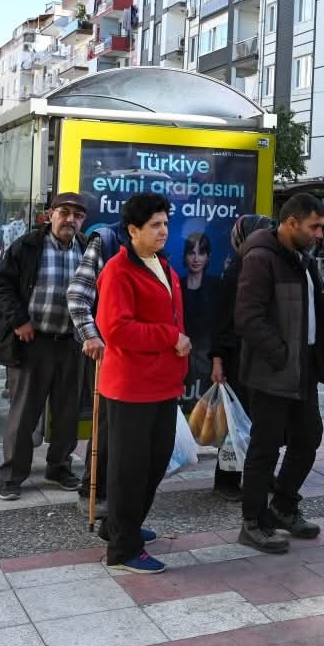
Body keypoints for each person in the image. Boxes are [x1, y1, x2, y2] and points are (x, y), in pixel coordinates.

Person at [234, 193, 324, 554]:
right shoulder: (261, 258)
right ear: (291, 223)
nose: (320, 233)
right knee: (265, 447)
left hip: (303, 368)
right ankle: (252, 522)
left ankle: (283, 506)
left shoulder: (303, 258)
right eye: (314, 226)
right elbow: (247, 317)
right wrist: (280, 354)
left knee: (308, 437)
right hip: (272, 370)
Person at [96, 193, 188, 574]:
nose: (163, 231)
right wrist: (170, 337)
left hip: (162, 383)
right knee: (130, 470)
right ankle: (123, 548)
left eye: (165, 223)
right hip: (132, 386)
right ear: (133, 230)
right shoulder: (118, 270)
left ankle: (121, 525)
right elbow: (116, 329)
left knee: (155, 462)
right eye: (155, 225)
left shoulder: (162, 264)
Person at [0, 193, 89, 500]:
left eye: (77, 215)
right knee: (24, 414)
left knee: (67, 412)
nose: (70, 219)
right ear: (50, 215)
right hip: (33, 341)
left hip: (72, 343)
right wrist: (19, 320)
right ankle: (12, 475)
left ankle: (58, 467)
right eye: (64, 212)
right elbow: (1, 286)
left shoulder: (88, 249)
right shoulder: (27, 246)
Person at [210, 214, 274, 502]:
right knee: (235, 421)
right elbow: (222, 320)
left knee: (261, 420)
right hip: (237, 357)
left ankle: (259, 474)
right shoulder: (237, 269)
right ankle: (227, 479)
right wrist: (218, 360)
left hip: (261, 357)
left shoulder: (265, 265)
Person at [67, 218, 129, 505]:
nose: (162, 230)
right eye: (155, 223)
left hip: (134, 352)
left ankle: (115, 488)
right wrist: (91, 336)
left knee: (123, 423)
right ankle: (94, 488)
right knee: (107, 421)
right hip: (107, 349)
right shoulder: (105, 240)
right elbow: (78, 295)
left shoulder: (155, 254)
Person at [179, 231, 220, 405]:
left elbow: (220, 328)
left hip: (207, 363)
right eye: (191, 253)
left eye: (201, 253)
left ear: (208, 256)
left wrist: (217, 362)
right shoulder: (176, 285)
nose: (196, 259)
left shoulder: (216, 287)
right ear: (185, 256)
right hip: (180, 361)